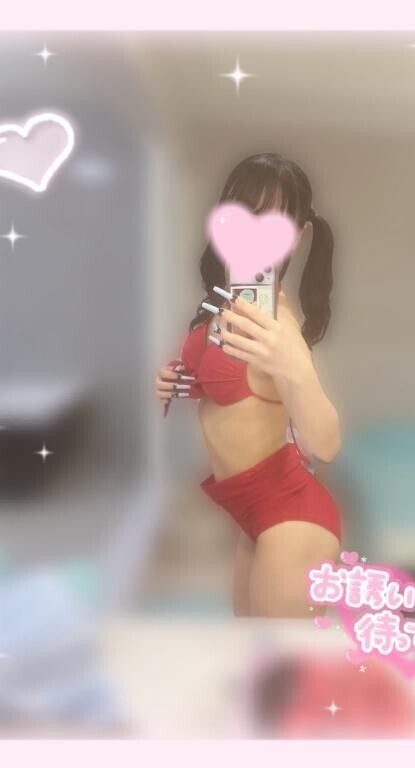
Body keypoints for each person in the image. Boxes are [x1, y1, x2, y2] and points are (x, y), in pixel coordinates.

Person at [155, 152, 343, 618]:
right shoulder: (225, 308)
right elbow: (229, 391)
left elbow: (326, 443)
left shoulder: (278, 326)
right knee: (251, 651)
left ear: (297, 237)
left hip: (291, 516)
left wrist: (294, 366)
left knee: (278, 659)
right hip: (252, 513)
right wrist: (179, 382)